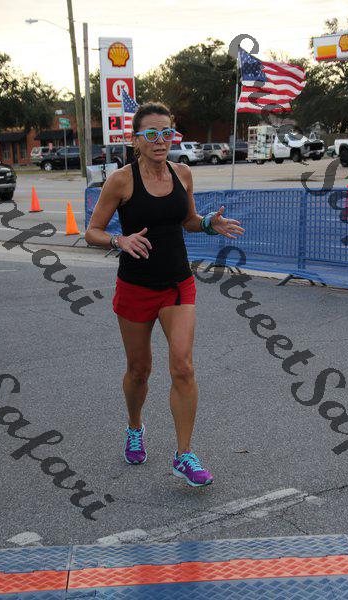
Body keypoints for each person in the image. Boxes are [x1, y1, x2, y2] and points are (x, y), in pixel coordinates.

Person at [85, 102, 245, 487]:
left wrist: (209, 223)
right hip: (135, 287)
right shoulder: (120, 181)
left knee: (183, 366)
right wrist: (119, 240)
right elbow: (92, 231)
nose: (161, 141)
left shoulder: (183, 172)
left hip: (177, 284)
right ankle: (135, 426)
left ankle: (183, 454)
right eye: (152, 134)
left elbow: (187, 220)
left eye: (167, 133)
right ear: (136, 140)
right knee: (139, 370)